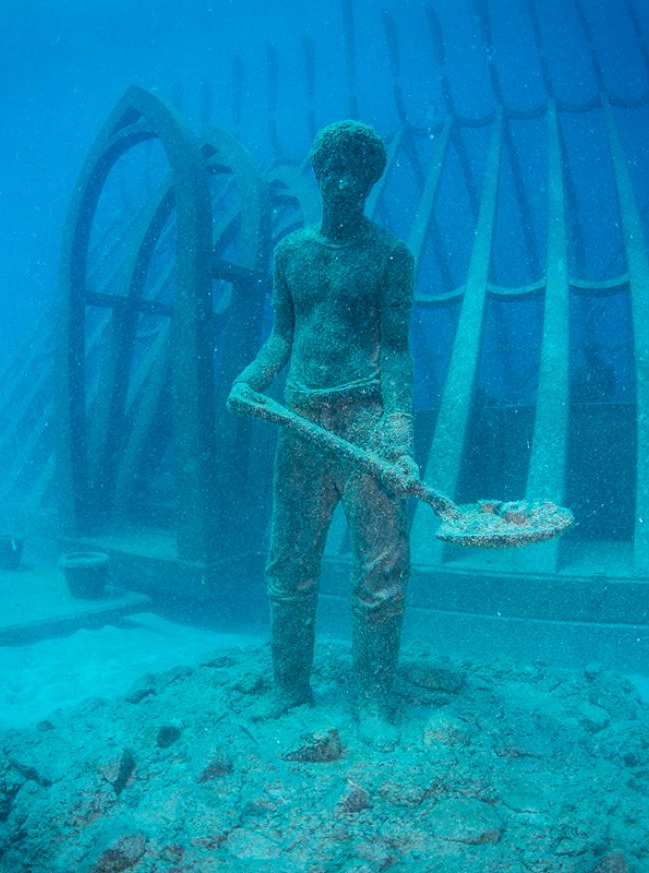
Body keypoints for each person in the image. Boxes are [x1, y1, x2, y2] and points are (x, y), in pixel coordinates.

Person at [228, 120, 416, 737]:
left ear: (370, 179)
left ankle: (372, 700)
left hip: (364, 423)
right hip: (302, 421)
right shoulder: (292, 254)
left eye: (355, 172)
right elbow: (283, 334)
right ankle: (289, 686)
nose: (342, 183)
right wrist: (253, 376)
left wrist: (397, 426)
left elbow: (394, 348)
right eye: (331, 170)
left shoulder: (390, 256)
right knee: (289, 561)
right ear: (317, 174)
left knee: (381, 569)